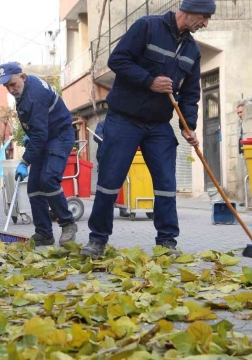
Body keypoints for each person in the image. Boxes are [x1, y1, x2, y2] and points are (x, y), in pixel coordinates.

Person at [81, 0, 215, 259]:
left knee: (166, 184)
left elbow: (190, 93)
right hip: (123, 120)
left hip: (158, 125)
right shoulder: (147, 27)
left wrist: (190, 125)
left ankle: (166, 243)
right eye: (204, 16)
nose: (205, 23)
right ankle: (97, 240)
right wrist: (149, 81)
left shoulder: (192, 50)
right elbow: (117, 60)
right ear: (189, 10)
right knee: (109, 182)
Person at [0, 62, 78, 247]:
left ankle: (68, 224)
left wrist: (25, 161)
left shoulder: (34, 96)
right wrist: (31, 136)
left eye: (12, 84)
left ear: (23, 77)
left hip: (59, 136)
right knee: (34, 185)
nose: (10, 89)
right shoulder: (25, 89)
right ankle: (44, 233)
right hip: (46, 136)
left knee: (48, 179)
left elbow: (40, 134)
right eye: (6, 86)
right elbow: (38, 128)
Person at [94, 120, 129, 218]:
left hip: (120, 156)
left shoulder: (123, 123)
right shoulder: (102, 124)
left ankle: (123, 208)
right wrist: (107, 140)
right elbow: (96, 136)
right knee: (104, 183)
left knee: (121, 182)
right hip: (104, 157)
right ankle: (103, 209)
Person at [236, 102, 247, 207]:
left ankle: (248, 200)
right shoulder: (240, 123)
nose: (240, 114)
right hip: (243, 152)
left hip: (248, 152)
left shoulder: (247, 122)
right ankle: (246, 200)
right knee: (244, 177)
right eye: (238, 112)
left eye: (241, 112)